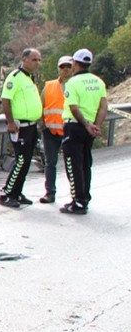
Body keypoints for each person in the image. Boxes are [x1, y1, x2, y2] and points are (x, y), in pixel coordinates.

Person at [59, 48, 107, 215]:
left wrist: (86, 125)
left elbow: (73, 107)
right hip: (90, 129)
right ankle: (84, 197)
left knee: (73, 165)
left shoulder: (72, 83)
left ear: (75, 63)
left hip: (75, 126)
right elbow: (103, 108)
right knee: (86, 163)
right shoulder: (98, 82)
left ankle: (78, 201)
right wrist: (96, 126)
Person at [0, 48, 44, 208]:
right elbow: (6, 100)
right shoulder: (15, 77)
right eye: (34, 59)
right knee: (21, 160)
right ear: (24, 59)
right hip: (20, 127)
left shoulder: (30, 78)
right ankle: (7, 193)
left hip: (31, 126)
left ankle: (17, 192)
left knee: (26, 162)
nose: (37, 63)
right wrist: (10, 122)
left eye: (39, 60)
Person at [38, 55, 74, 204]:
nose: (65, 70)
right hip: (50, 132)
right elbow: (40, 105)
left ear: (73, 68)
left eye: (68, 66)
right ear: (58, 68)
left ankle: (76, 195)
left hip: (70, 131)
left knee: (72, 164)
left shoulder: (76, 85)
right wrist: (42, 122)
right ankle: (50, 193)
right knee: (50, 163)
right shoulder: (49, 86)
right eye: (62, 67)